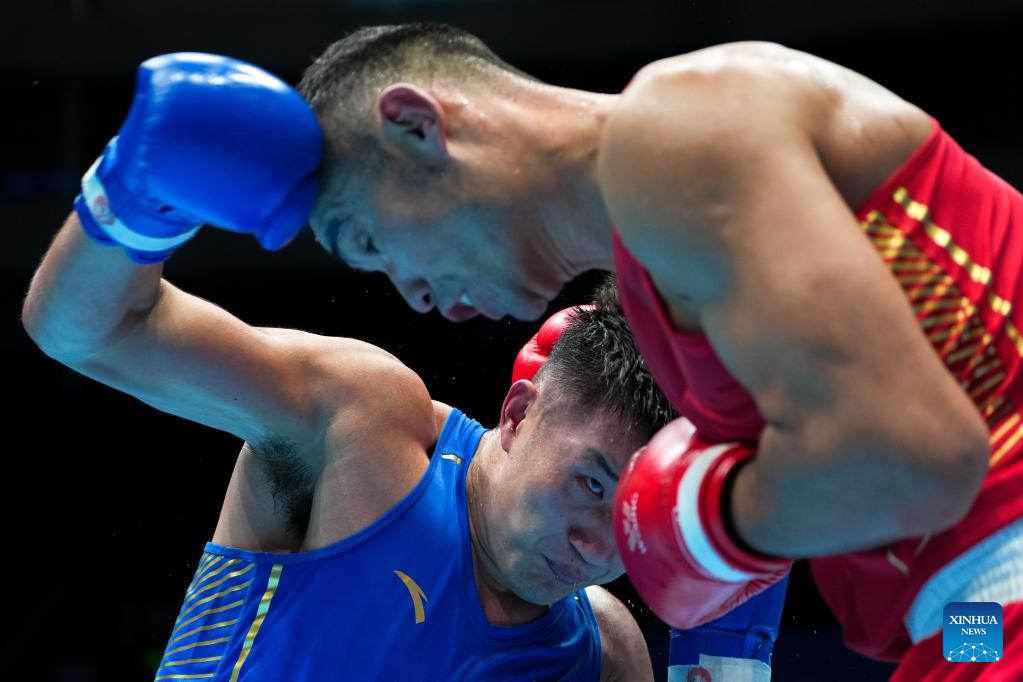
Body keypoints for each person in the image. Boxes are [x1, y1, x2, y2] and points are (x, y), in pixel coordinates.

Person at [296, 23, 1023, 680]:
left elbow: (925, 456)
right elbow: (935, 531)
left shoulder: (676, 130)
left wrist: (700, 521)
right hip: (973, 616)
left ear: (416, 127)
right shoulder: (665, 292)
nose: (413, 295)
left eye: (372, 243)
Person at [22, 53, 677, 680]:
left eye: (632, 516)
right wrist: (136, 204)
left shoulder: (606, 654)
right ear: (518, 413)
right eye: (591, 484)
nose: (597, 547)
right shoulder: (364, 425)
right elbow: (92, 329)